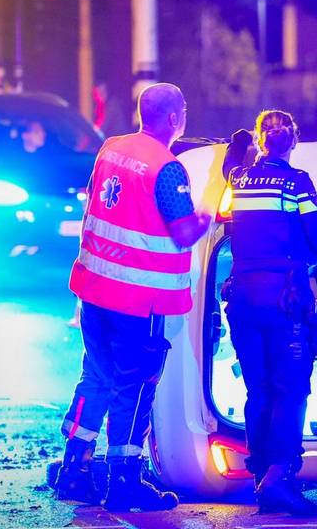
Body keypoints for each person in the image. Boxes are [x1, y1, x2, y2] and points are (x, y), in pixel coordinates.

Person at [54, 83, 212, 512]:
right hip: (138, 301)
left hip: (95, 290)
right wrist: (205, 216)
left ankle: (75, 469)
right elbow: (182, 233)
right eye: (183, 110)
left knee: (97, 377)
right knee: (136, 387)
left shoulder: (112, 149)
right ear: (174, 118)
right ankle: (125, 481)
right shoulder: (167, 168)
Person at [224, 109, 317, 515]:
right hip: (283, 301)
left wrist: (240, 146)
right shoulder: (296, 182)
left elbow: (230, 164)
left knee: (258, 390)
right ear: (293, 142)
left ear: (261, 139)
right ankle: (279, 477)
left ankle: (260, 476)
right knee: (290, 391)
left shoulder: (239, 179)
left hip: (241, 300)